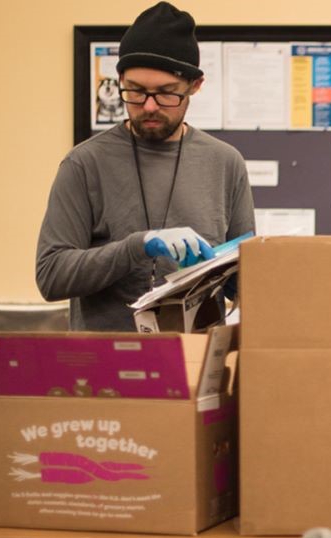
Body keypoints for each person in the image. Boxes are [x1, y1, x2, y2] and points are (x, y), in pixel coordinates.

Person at [35, 1, 255, 332]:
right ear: (120, 79)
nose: (149, 107)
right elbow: (51, 276)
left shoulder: (226, 163)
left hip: (195, 365)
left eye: (167, 94)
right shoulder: (84, 163)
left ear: (195, 86)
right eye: (135, 92)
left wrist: (229, 274)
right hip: (106, 371)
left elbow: (245, 282)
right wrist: (136, 247)